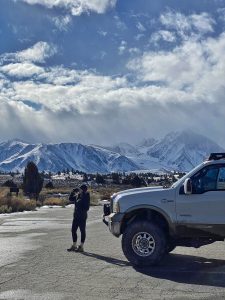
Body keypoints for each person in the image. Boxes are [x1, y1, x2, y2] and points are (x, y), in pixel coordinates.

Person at [67, 184, 90, 252]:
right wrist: (73, 192)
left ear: (83, 190)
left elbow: (87, 208)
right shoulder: (77, 196)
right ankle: (74, 245)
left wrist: (82, 198)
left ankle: (81, 246)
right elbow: (70, 199)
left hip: (82, 217)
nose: (79, 190)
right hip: (76, 216)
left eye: (80, 189)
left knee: (82, 231)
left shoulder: (86, 196)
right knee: (73, 230)